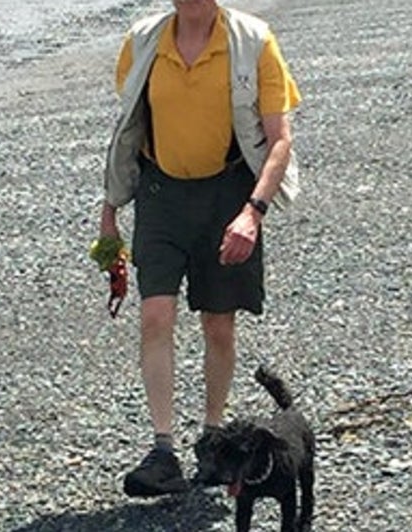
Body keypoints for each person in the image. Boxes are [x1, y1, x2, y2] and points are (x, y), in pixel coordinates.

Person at [97, 0, 301, 497]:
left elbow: (279, 140)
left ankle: (212, 440)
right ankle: (163, 449)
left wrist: (252, 212)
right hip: (160, 194)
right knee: (154, 316)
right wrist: (109, 212)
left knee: (218, 323)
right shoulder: (144, 40)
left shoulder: (253, 41)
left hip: (228, 195)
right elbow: (128, 129)